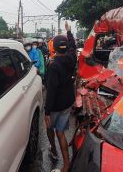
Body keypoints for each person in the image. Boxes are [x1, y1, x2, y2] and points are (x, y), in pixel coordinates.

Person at [45, 21, 76, 172]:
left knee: (51, 128)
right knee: (61, 132)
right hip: (68, 102)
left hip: (56, 105)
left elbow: (50, 91)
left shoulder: (53, 65)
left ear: (54, 48)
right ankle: (66, 164)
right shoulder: (71, 58)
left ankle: (54, 150)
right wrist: (69, 32)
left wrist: (46, 112)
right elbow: (72, 46)